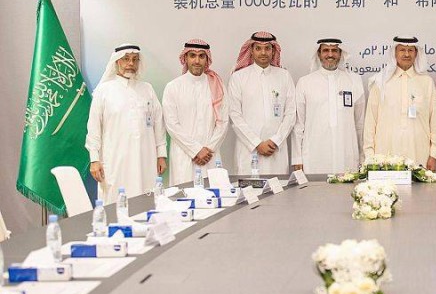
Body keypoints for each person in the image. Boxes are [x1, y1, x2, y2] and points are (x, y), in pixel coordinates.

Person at [85, 44, 167, 202]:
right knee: (115, 201)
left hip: (145, 159)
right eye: (126, 59)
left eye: (135, 60)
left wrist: (161, 155)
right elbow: (94, 127)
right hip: (115, 160)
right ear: (117, 61)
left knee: (146, 199)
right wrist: (94, 159)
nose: (131, 63)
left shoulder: (147, 89)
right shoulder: (104, 91)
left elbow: (158, 123)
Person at [363, 36, 436, 169]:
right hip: (385, 155)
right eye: (402, 50)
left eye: (410, 50)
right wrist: (370, 156)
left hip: (419, 154)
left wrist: (434, 155)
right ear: (394, 53)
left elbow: (435, 119)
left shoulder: (426, 82)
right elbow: (370, 121)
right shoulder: (380, 82)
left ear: (416, 54)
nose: (406, 54)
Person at [291, 38, 365, 174]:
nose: (330, 54)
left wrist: (362, 156)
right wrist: (297, 158)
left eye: (334, 50)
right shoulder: (305, 82)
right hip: (314, 155)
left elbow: (360, 124)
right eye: (326, 50)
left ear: (340, 54)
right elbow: (298, 125)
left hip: (346, 153)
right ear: (319, 54)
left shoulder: (354, 81)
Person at [162, 39, 229, 185]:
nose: (197, 61)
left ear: (207, 59)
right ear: (185, 58)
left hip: (210, 156)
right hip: (184, 155)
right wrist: (196, 150)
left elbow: (223, 122)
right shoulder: (173, 87)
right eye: (192, 56)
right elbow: (172, 124)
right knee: (184, 195)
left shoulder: (217, 85)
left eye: (201, 56)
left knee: (213, 194)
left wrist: (209, 149)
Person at [228, 32, 296, 175]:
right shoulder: (238, 77)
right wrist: (256, 143)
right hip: (248, 150)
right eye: (258, 48)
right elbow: (234, 115)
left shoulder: (284, 76)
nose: (263, 52)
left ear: (273, 51)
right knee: (249, 187)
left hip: (276, 150)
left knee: (279, 188)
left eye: (267, 48)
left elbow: (290, 113)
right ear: (251, 51)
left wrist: (276, 140)